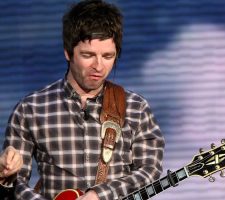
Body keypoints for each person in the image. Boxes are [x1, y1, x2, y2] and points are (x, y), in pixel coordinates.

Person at [2, 0, 165, 199]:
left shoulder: (136, 107)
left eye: (108, 56)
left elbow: (149, 170)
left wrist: (99, 194)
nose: (99, 66)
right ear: (68, 52)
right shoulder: (31, 109)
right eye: (88, 55)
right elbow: (16, 184)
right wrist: (6, 175)